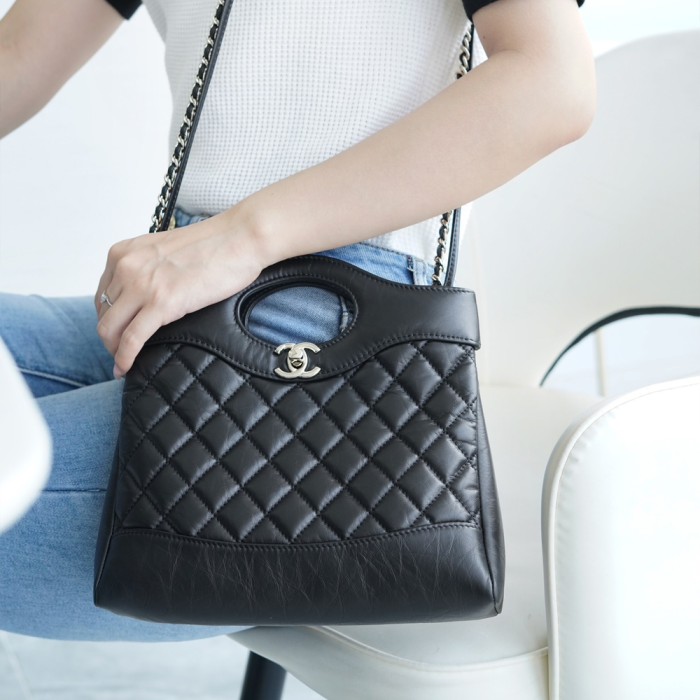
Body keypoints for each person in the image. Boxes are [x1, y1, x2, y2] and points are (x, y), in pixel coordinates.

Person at [0, 0, 595, 641]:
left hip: (338, 328)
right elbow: (18, 57)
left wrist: (240, 239)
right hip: (178, 293)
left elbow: (551, 82)